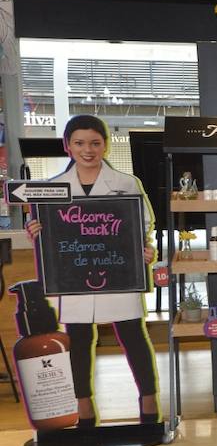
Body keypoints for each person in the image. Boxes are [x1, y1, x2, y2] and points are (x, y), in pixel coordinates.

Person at [25, 115, 158, 426]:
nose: (88, 150)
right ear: (68, 146)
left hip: (119, 272)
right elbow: (44, 228)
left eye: (95, 143)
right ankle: (84, 408)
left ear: (105, 145)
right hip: (73, 274)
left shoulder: (126, 183)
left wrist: (144, 249)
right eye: (80, 143)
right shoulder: (51, 188)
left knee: (133, 336)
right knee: (79, 340)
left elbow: (142, 225)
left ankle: (149, 403)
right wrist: (36, 231)